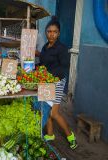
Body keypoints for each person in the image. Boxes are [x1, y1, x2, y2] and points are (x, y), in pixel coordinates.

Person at [38, 16, 77, 149]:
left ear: (58, 33)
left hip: (58, 82)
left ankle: (71, 136)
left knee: (54, 113)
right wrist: (35, 70)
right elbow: (42, 63)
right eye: (49, 31)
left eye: (54, 32)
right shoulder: (45, 47)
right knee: (45, 109)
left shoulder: (61, 48)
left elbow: (64, 67)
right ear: (46, 32)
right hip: (46, 82)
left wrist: (50, 76)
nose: (51, 34)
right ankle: (50, 134)